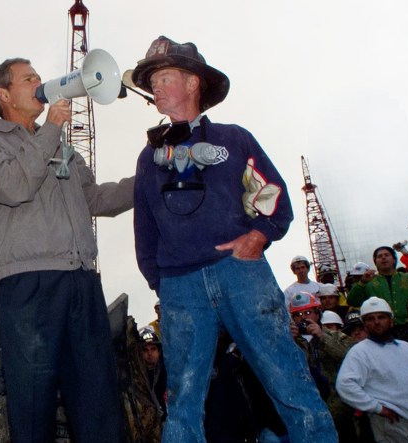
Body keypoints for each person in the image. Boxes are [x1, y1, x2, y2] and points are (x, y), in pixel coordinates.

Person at [131, 35, 337, 443]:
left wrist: (259, 236)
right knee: (183, 399)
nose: (154, 85)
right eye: (151, 79)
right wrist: (162, 279)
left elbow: (274, 199)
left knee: (287, 377)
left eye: (164, 76)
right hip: (180, 287)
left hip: (240, 273)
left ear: (193, 83)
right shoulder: (147, 158)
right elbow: (145, 228)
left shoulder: (232, 139)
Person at [0, 57, 132, 443]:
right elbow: (14, 186)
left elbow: (96, 199)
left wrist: (146, 180)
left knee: (97, 399)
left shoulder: (61, 150)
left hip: (81, 280)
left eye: (40, 77)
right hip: (30, 284)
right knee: (33, 399)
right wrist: (52, 129)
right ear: (4, 94)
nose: (40, 83)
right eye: (29, 79)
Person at [336, 297, 408, 443]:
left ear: (391, 320)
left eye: (381, 317)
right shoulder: (359, 352)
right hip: (392, 425)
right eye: (370, 318)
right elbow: (345, 385)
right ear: (364, 324)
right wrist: (377, 408)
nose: (376, 322)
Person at [289, 293, 357, 443]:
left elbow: (351, 357)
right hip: (309, 411)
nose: (303, 318)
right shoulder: (290, 341)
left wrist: (322, 337)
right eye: (297, 315)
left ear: (317, 314)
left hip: (340, 409)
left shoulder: (336, 336)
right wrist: (290, 342)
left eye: (308, 313)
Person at [346, 246, 408, 325]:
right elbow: (352, 301)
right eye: (379, 256)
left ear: (394, 260)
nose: (383, 257)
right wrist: (361, 283)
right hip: (382, 327)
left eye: (387, 255)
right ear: (375, 262)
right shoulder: (369, 283)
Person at [138, 326, 166, 417]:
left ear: (159, 351)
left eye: (153, 349)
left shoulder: (168, 372)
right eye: (145, 350)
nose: (150, 354)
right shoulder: (136, 376)